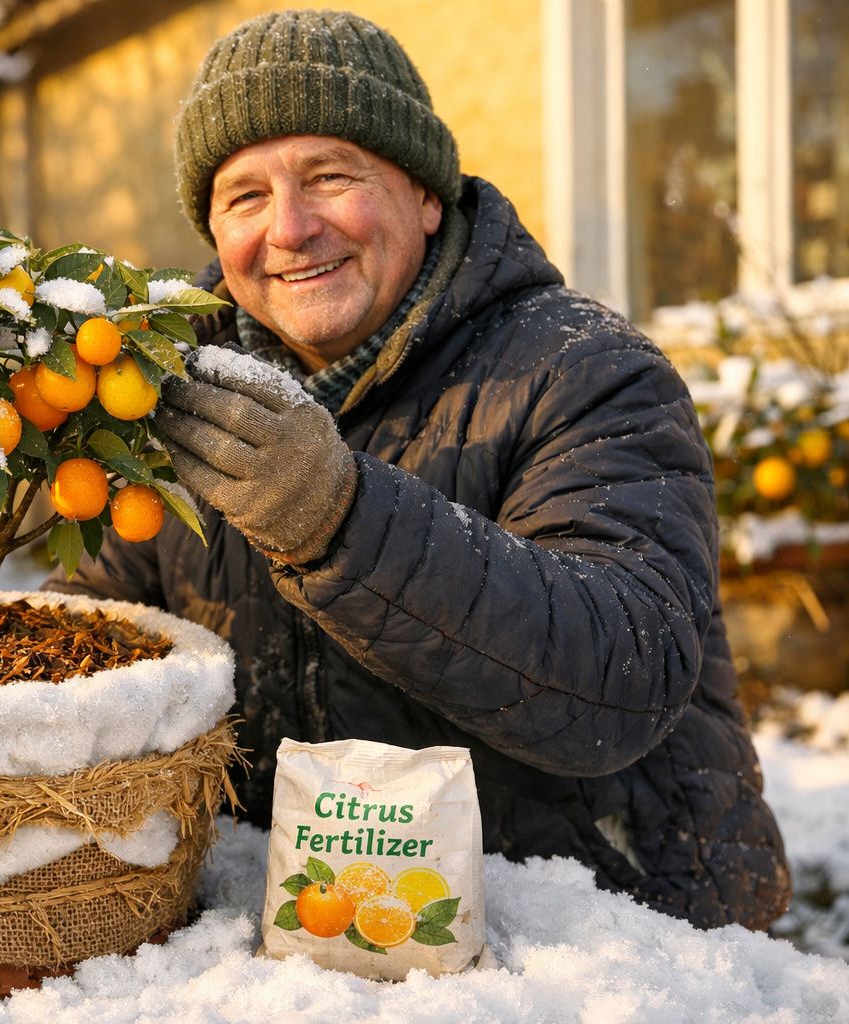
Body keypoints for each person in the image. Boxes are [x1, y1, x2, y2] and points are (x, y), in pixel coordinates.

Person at [46, 8, 790, 931]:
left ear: (428, 196)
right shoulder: (176, 396)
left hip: (587, 931)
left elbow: (619, 678)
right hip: (302, 933)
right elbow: (94, 643)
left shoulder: (584, 370)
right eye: (243, 196)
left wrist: (340, 523)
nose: (290, 228)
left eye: (329, 177)